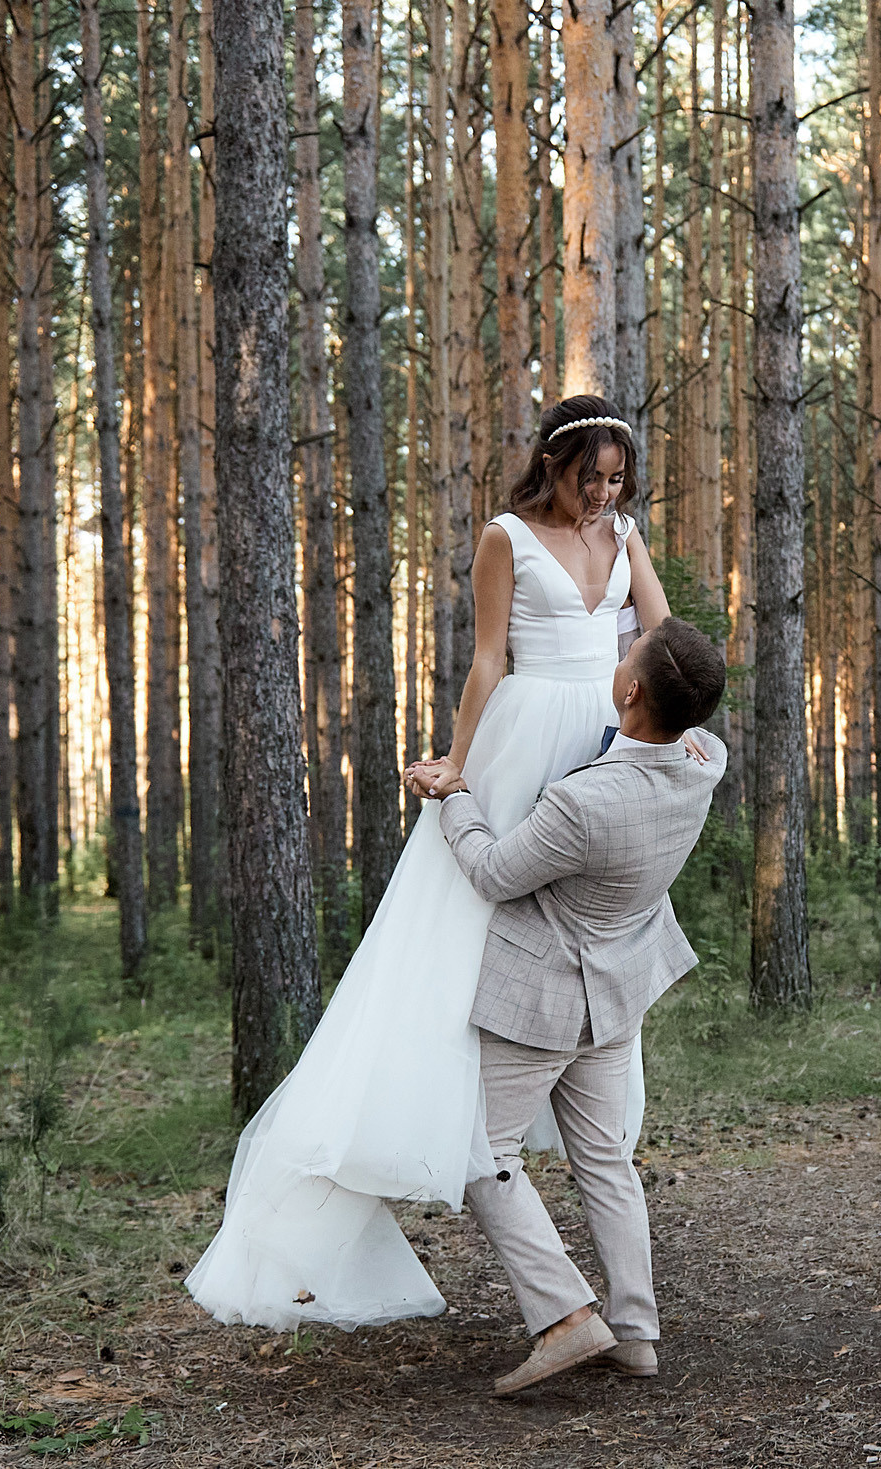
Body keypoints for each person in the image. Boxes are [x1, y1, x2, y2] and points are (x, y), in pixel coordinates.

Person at [186, 395, 689, 1332]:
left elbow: (659, 640)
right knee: (474, 914)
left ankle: (569, 1113)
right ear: (556, 465)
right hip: (522, 740)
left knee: (579, 917)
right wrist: (458, 764)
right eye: (594, 478)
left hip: (607, 736)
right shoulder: (506, 536)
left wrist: (677, 737)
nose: (606, 494)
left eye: (619, 480)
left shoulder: (624, 537)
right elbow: (488, 661)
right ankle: (432, 1121)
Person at [417, 616, 728, 1392]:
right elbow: (671, 732)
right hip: (619, 990)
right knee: (605, 1158)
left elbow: (491, 871)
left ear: (628, 690)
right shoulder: (704, 760)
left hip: (547, 996)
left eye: (630, 652)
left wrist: (451, 792)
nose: (621, 651)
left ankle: (564, 1316)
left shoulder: (583, 802)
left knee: (481, 1152)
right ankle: (636, 1331)